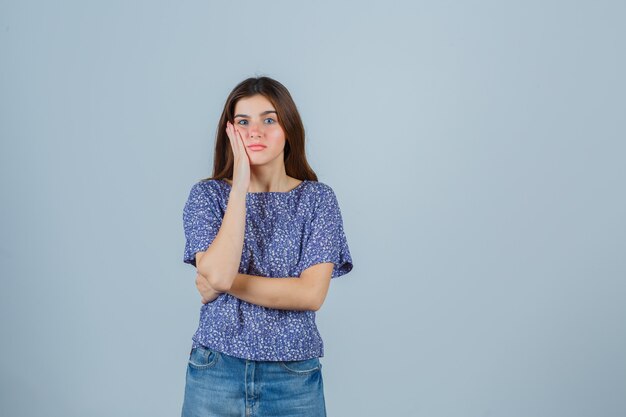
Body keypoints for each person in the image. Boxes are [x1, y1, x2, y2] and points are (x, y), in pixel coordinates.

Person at [180, 76, 354, 417]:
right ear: (230, 131)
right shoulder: (207, 196)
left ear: (288, 127)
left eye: (268, 119)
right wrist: (240, 184)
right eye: (243, 122)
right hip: (216, 369)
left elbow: (310, 295)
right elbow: (214, 272)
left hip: (292, 377)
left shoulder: (318, 200)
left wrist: (224, 283)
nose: (255, 131)